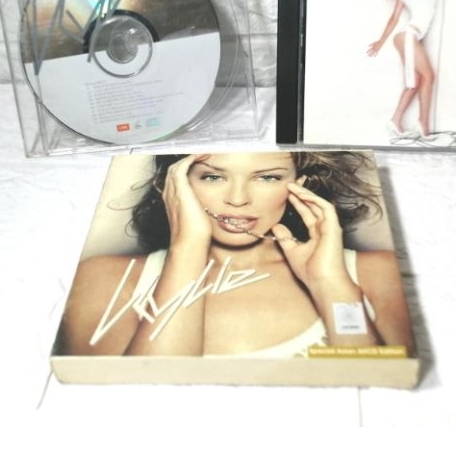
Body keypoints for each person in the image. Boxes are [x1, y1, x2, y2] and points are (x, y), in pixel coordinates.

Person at [59, 151, 414, 358]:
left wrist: (329, 284)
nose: (238, 199)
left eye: (267, 178)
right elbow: (134, 407)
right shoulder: (105, 280)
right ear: (173, 184)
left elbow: (380, 399)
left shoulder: (373, 274)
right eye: (213, 177)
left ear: (299, 185)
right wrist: (187, 251)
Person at [367, 0, 449, 138]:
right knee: (428, 77)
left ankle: (396, 121)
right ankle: (423, 125)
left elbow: (394, 19)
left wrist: (382, 40)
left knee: (417, 81)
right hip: (409, 35)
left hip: (407, 37)